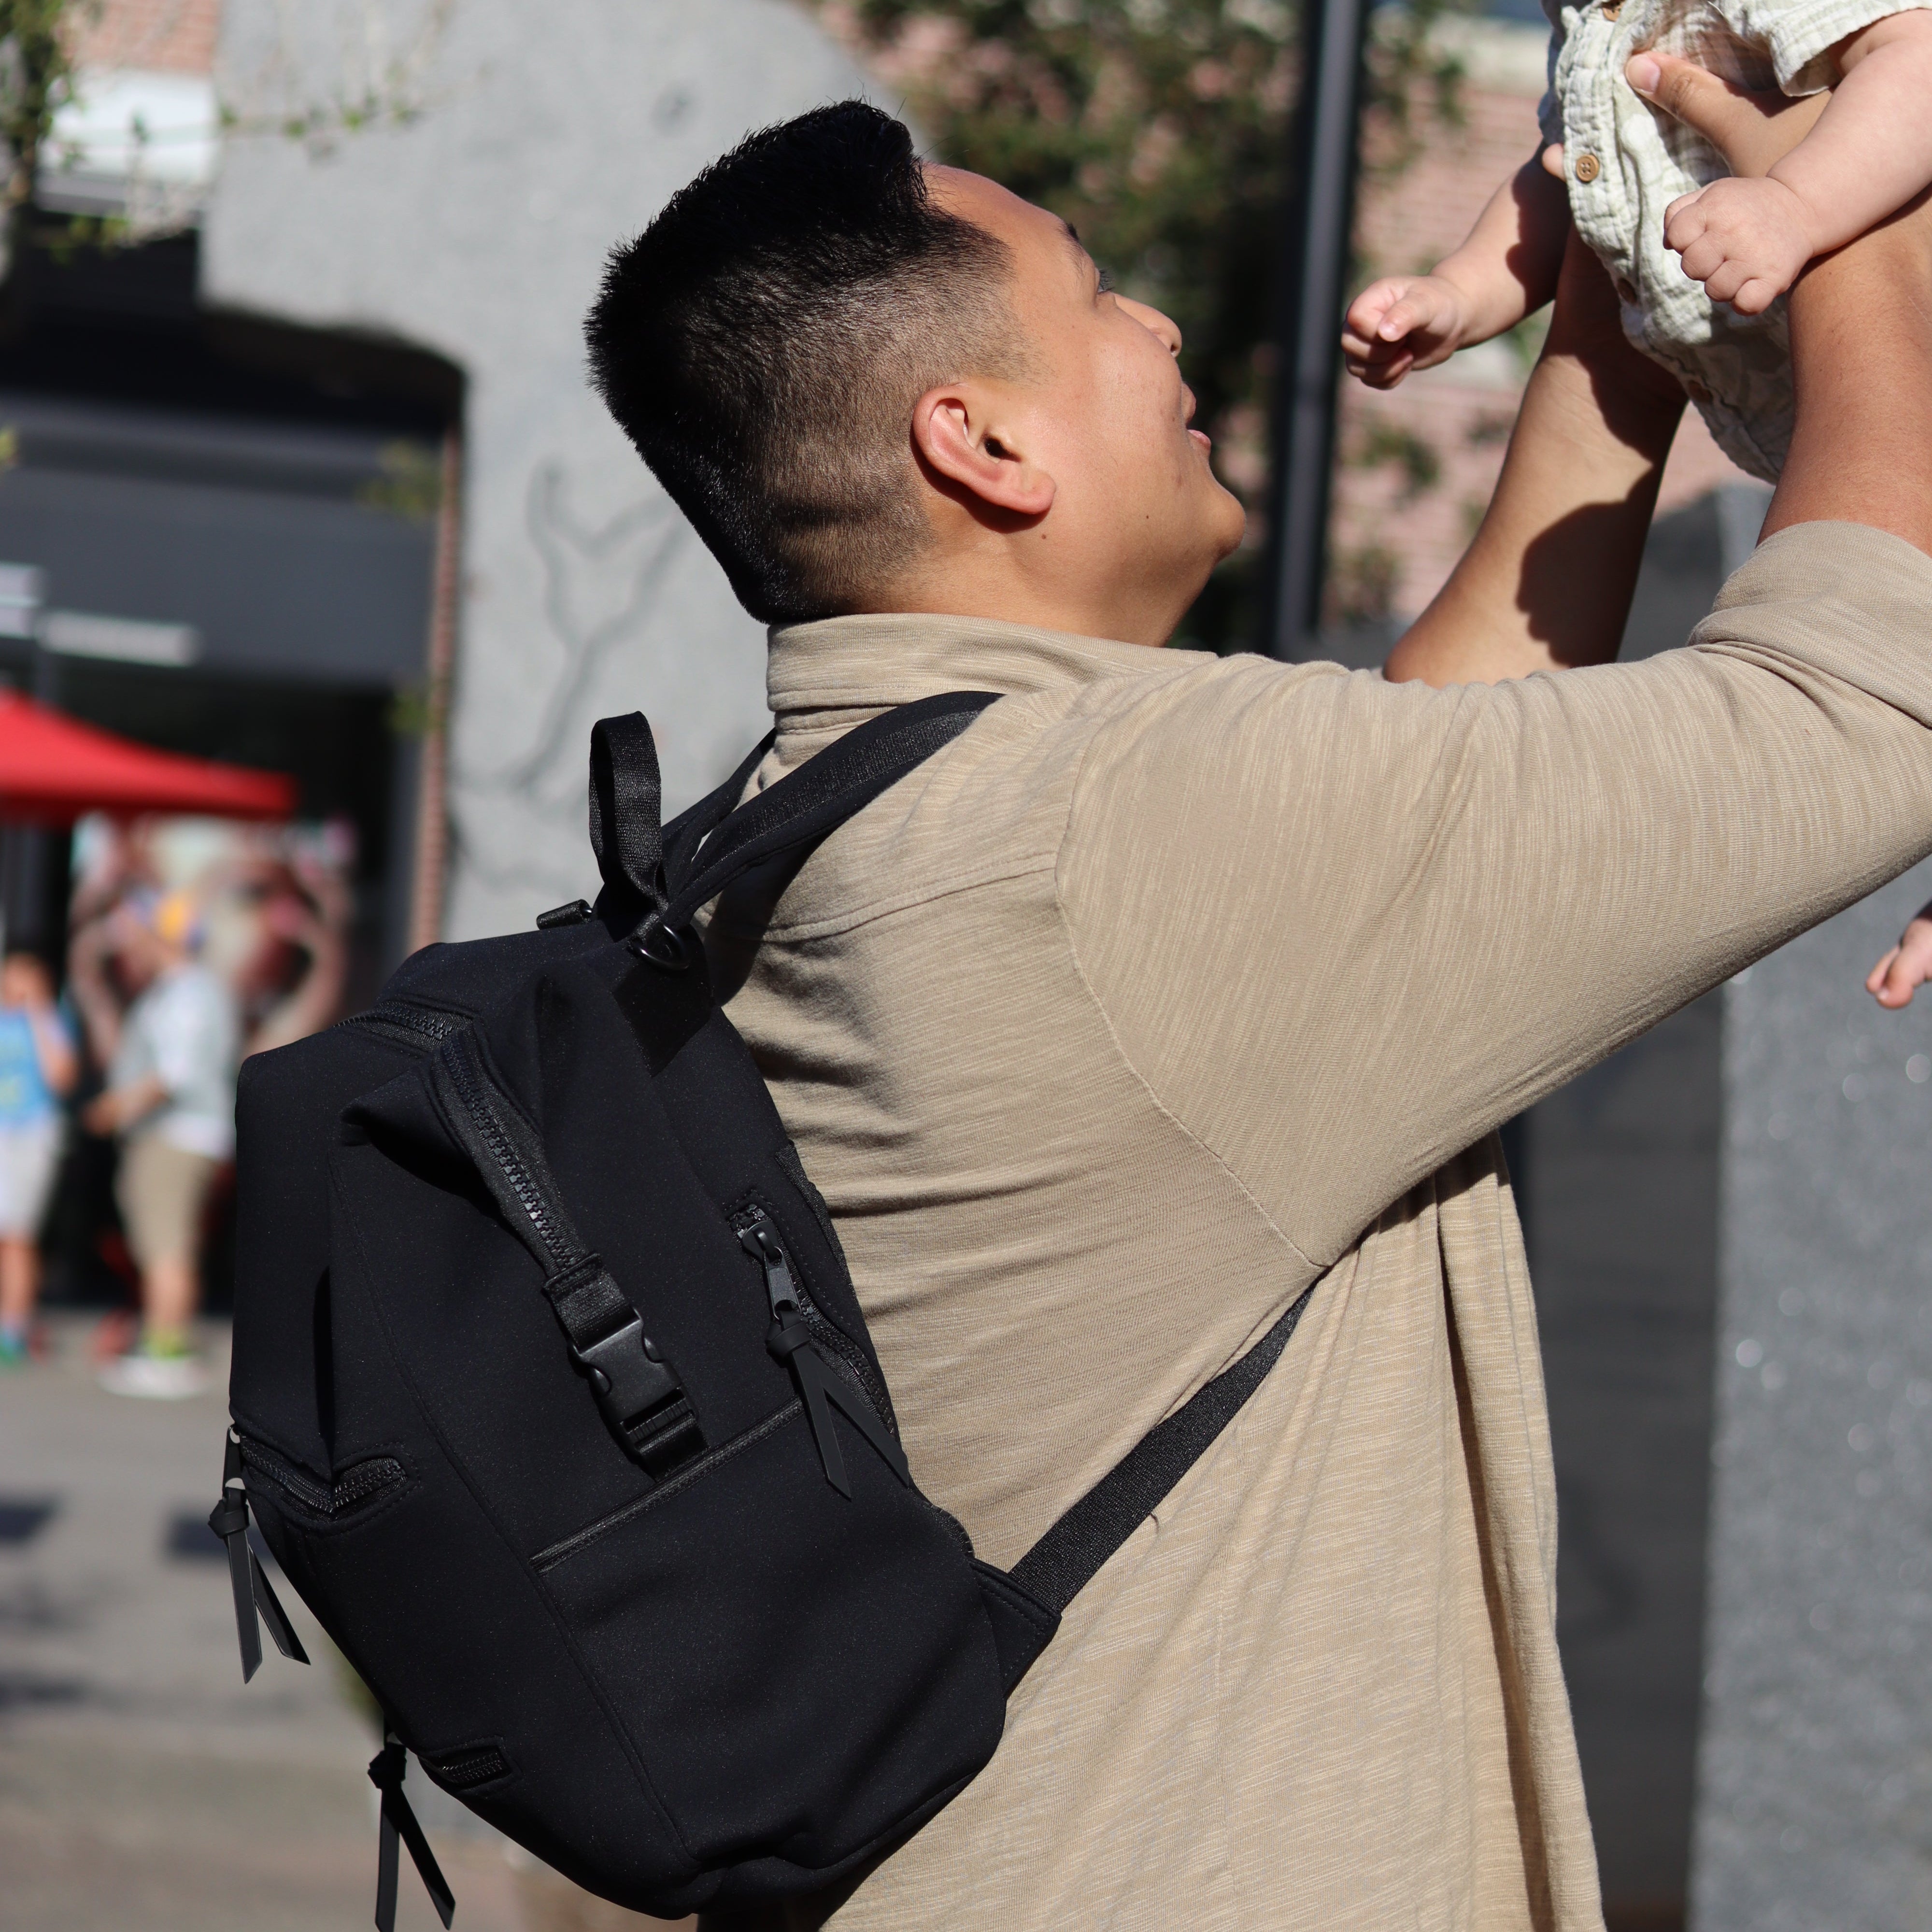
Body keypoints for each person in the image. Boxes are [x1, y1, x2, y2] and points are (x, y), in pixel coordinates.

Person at [580, 63, 1932, 1932]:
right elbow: (1862, 700)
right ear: (977, 443)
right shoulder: (1113, 837)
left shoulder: (844, 816)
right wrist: (1846, 223)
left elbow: (1421, 767)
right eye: (1093, 291)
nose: (1156, 319)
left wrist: (1628, 256)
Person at [1340, 0, 1932, 484]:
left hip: (1895, 371)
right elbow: (1571, 176)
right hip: (1825, 427)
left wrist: (1794, 202)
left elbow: (1916, 62)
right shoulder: (1586, 21)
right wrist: (1460, 293)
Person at [71, 891, 241, 1400]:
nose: (132, 944)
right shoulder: (183, 989)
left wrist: (113, 1108)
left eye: (140, 932)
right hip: (178, 1134)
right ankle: (160, 1341)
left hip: (176, 1134)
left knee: (167, 1246)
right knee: (163, 1244)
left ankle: (168, 1351)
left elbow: (172, 1073)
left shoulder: (187, 992)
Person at [0, 952, 76, 1365]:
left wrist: (38, 1010)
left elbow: (61, 1075)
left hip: (30, 1133)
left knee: (17, 1235)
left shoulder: (51, 1019)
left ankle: (13, 1328)